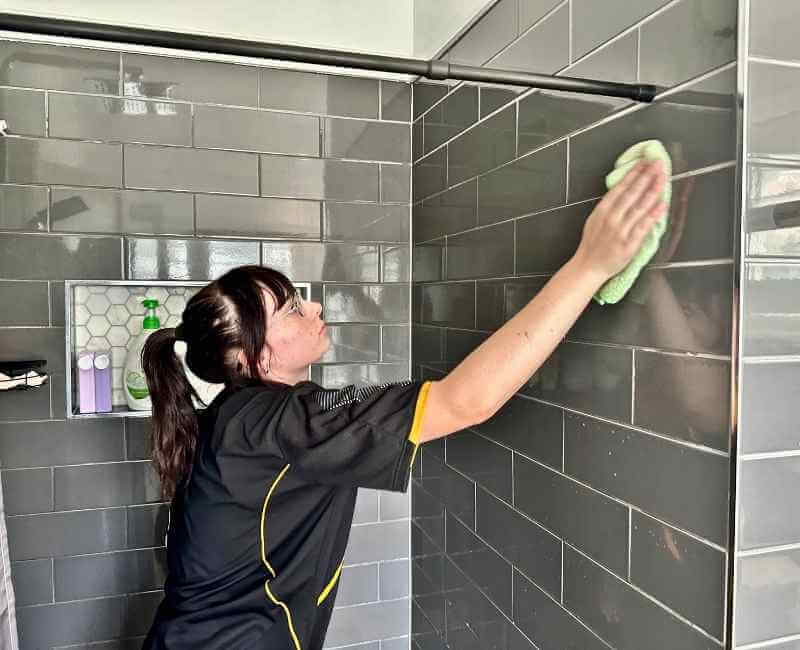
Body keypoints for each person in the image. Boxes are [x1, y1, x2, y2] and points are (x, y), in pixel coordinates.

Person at [140, 160, 667, 649]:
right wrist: (589, 266)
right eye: (293, 309)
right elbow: (466, 402)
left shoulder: (242, 417)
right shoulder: (278, 422)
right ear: (253, 358)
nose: (314, 306)